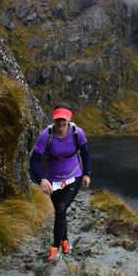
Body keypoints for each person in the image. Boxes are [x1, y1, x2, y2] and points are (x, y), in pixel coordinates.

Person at [29, 103, 91, 262]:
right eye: (58, 120)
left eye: (64, 120)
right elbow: (34, 161)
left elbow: (85, 153)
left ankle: (55, 246)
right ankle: (65, 241)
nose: (61, 123)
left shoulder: (78, 133)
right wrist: (41, 179)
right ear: (54, 120)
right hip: (53, 181)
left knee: (62, 208)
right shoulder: (46, 135)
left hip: (73, 177)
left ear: (69, 120)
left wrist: (87, 174)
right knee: (59, 211)